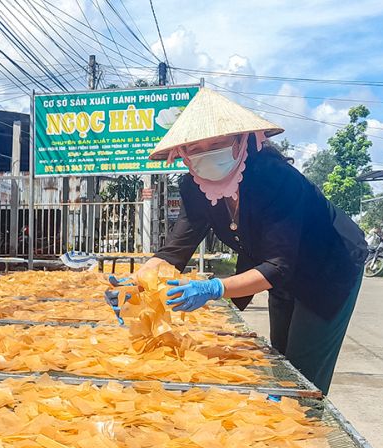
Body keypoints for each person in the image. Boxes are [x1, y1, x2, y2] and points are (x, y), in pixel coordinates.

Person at [106, 88, 367, 394]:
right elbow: (173, 252)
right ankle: (281, 410)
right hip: (276, 276)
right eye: (195, 147)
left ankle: (306, 426)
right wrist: (135, 283)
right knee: (282, 362)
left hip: (329, 269)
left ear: (243, 140)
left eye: (217, 143)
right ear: (183, 153)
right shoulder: (193, 187)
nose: (207, 152)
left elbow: (280, 265)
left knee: (303, 373)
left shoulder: (277, 179)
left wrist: (215, 288)